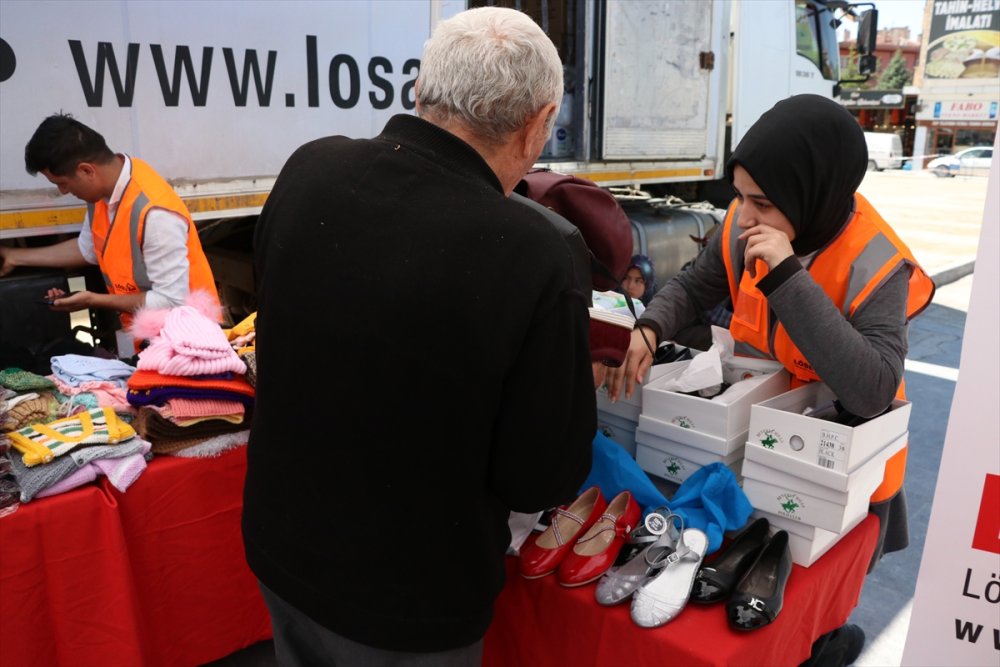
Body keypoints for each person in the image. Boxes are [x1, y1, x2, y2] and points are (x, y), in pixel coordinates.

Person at [242, 7, 595, 666]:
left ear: (417, 91)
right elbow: (539, 475)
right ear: (539, 123)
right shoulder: (533, 251)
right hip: (407, 600)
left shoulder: (310, 168)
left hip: (280, 544)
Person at [606, 94, 934, 665]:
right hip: (754, 443)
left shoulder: (876, 262)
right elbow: (694, 286)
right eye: (739, 194)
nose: (744, 213)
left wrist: (786, 274)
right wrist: (652, 326)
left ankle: (832, 645)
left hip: (838, 470)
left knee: (812, 609)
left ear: (813, 197)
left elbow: (872, 388)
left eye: (761, 201)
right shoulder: (744, 220)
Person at [0, 114, 220, 330]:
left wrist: (92, 300)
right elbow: (88, 250)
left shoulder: (155, 214)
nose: (63, 191)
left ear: (87, 170)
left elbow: (171, 301)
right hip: (159, 338)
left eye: (62, 183)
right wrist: (16, 257)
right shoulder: (105, 192)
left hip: (193, 339)